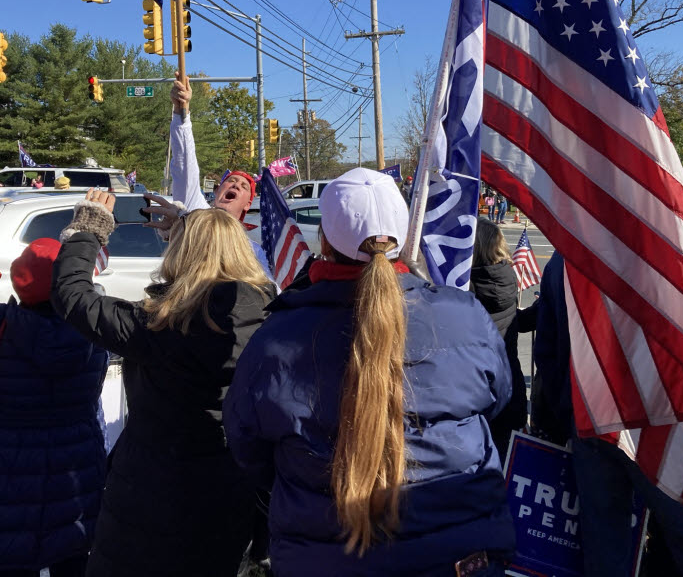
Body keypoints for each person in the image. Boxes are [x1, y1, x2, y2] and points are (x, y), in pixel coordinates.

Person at [223, 168, 515, 576]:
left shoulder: (275, 339)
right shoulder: (465, 314)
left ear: (323, 241)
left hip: (324, 558)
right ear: (402, 237)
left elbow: (248, 448)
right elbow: (500, 400)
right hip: (460, 556)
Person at [51, 190, 276, 576]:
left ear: (182, 253)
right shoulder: (271, 317)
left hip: (149, 494)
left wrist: (89, 229)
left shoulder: (159, 325)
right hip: (229, 490)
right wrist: (191, 225)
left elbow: (72, 294)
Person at [533, 253, 683, 577]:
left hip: (600, 417)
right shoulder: (671, 246)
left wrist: (567, 413)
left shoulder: (567, 254)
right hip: (662, 421)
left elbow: (548, 355)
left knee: (607, 547)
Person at [0, 238, 107, 577]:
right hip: (75, 460)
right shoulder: (91, 324)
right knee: (73, 551)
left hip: (9, 464)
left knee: (13, 555)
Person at [150, 79, 272, 276]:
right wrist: (181, 112)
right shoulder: (195, 210)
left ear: (248, 204)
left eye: (244, 186)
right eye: (231, 181)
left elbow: (266, 292)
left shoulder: (252, 251)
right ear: (218, 191)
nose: (236, 185)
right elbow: (184, 165)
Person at [469, 220, 527, 462]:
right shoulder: (508, 278)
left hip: (475, 390)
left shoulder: (465, 285)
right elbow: (514, 320)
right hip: (510, 385)